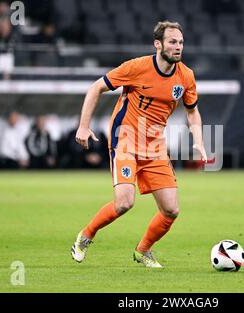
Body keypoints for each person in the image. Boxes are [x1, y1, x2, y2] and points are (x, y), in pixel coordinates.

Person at [70, 21, 207, 268]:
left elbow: (192, 112)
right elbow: (96, 88)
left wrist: (198, 142)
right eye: (173, 42)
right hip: (126, 140)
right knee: (124, 203)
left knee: (171, 210)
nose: (178, 47)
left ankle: (143, 251)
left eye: (181, 42)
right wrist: (83, 126)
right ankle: (86, 236)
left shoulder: (186, 76)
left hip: (155, 145)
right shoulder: (136, 67)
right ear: (158, 44)